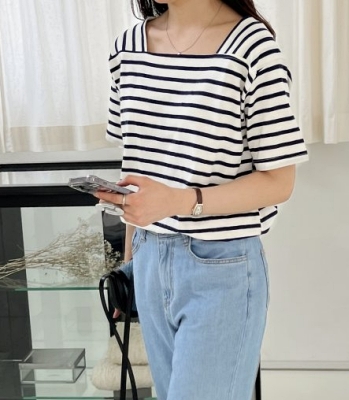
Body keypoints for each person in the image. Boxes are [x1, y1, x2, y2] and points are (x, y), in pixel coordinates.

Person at [95, 1, 309, 399]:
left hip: (221, 268)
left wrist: (179, 201)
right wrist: (130, 269)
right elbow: (137, 168)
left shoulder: (251, 47)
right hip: (148, 259)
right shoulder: (128, 47)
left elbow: (279, 182)